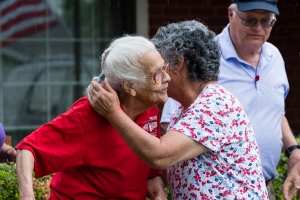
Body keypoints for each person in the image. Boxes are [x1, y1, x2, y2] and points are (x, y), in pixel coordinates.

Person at [88, 20, 268, 199]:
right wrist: (156, 178)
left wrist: (113, 112)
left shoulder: (215, 105)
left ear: (177, 63)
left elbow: (160, 155)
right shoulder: (186, 110)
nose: (155, 76)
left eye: (159, 67)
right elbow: (176, 165)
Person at [160, 0, 298, 199]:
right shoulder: (203, 56)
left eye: (266, 21)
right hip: (217, 192)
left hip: (263, 188)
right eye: (250, 19)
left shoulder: (275, 56)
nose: (258, 28)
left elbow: (275, 111)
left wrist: (293, 149)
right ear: (230, 14)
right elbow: (170, 122)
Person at [15, 35, 169, 200]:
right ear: (130, 86)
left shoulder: (150, 109)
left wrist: (155, 181)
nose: (168, 78)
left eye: (164, 68)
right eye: (157, 74)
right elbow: (27, 150)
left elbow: (147, 167)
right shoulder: (86, 116)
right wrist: (27, 197)